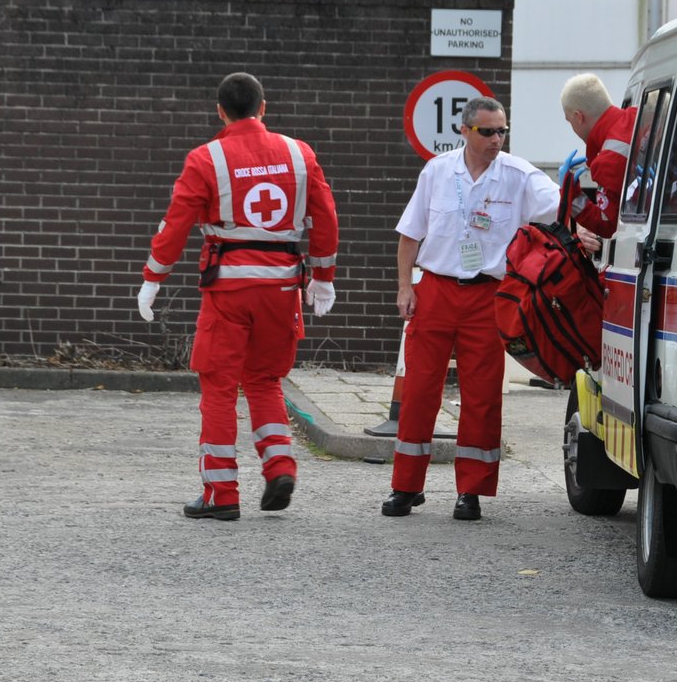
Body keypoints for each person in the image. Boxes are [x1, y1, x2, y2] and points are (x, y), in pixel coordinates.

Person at [137, 72, 339, 520]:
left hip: (228, 290)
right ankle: (280, 465)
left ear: (220, 112)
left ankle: (221, 493)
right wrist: (322, 277)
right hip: (283, 288)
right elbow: (325, 216)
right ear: (263, 107)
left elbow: (176, 224)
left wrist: (154, 277)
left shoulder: (205, 159)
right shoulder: (298, 153)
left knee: (219, 385)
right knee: (265, 379)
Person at [384, 96, 560, 521]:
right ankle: (406, 486)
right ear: (464, 131)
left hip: (488, 296)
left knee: (482, 395)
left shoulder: (518, 175)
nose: (497, 139)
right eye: (488, 131)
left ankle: (472, 491)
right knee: (421, 391)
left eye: (502, 131)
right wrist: (405, 287)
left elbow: (560, 207)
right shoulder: (438, 172)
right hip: (436, 292)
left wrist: (585, 228)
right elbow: (410, 234)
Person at [557, 73, 638, 239]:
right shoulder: (637, 115)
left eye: (569, 120)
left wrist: (572, 196)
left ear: (579, 117)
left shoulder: (607, 160)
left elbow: (607, 223)